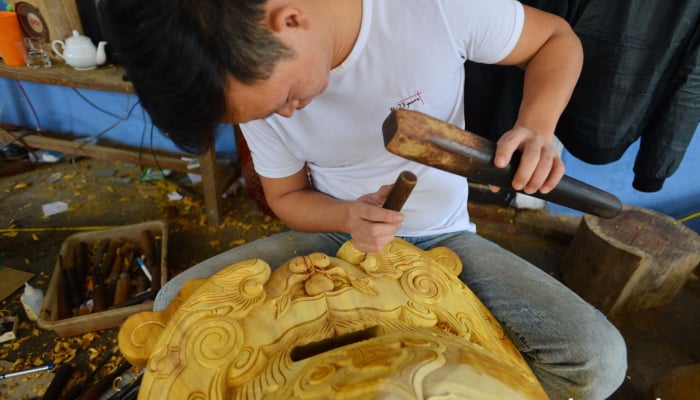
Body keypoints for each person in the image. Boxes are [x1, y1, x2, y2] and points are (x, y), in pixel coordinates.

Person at [107, 0, 627, 398]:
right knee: (175, 308)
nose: (286, 115)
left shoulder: (428, 10)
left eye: (286, 97)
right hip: (333, 234)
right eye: (268, 112)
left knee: (597, 360)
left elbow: (555, 39)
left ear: (289, 20)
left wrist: (536, 126)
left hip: (443, 236)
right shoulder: (260, 105)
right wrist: (346, 215)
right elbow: (287, 196)